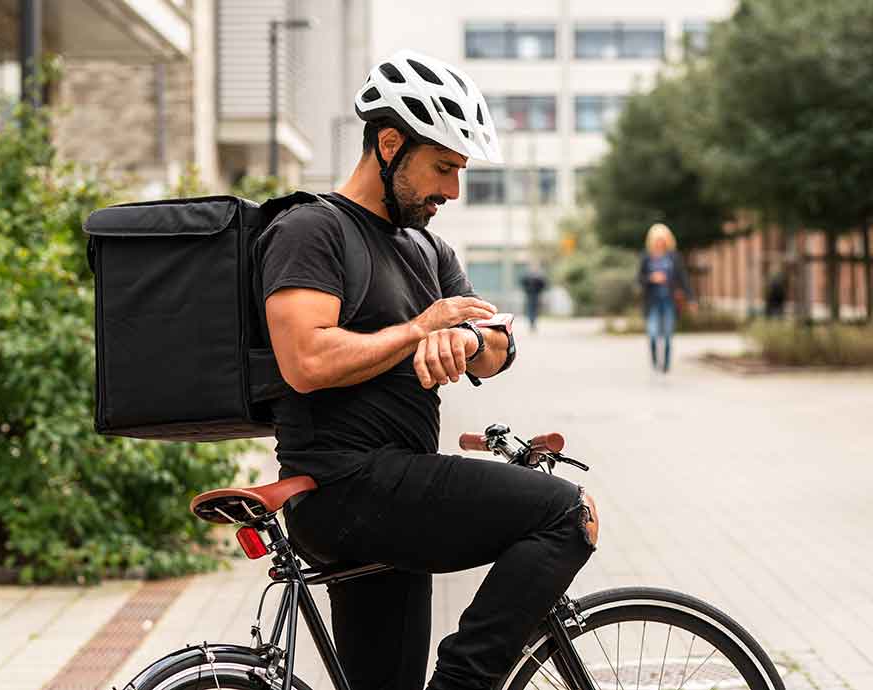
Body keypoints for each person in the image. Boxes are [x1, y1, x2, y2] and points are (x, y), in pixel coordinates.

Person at [259, 50, 598, 690]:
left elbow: (497, 342)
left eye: (460, 170)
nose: (453, 190)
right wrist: (418, 329)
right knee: (566, 514)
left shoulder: (427, 246)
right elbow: (305, 362)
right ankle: (465, 680)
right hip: (343, 485)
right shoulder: (312, 230)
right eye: (442, 167)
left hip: (395, 492)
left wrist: (467, 339)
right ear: (389, 144)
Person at [637, 223, 694, 373]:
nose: (659, 242)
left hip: (669, 301)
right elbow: (639, 280)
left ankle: (666, 365)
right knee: (653, 333)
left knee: (668, 334)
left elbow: (683, 278)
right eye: (657, 239)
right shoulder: (646, 257)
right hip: (652, 301)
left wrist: (691, 298)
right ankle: (656, 361)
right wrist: (651, 278)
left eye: (662, 239)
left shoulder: (674, 257)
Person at [519, 263, 548, 331]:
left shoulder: (539, 276)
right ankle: (531, 323)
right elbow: (522, 282)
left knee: (535, 309)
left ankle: (533, 323)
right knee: (530, 309)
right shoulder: (527, 275)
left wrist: (539, 290)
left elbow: (543, 284)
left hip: (536, 295)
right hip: (529, 294)